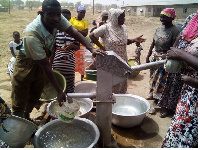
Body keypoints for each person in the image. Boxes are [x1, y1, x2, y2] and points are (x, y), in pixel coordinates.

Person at [11, 0, 106, 121]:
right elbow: (46, 66)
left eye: (58, 14)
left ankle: (26, 116)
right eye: (51, 14)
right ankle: (18, 125)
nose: (56, 18)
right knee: (21, 96)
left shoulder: (57, 18)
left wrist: (91, 48)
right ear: (42, 14)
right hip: (26, 64)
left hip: (41, 60)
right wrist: (60, 91)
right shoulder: (32, 35)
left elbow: (74, 32)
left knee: (36, 93)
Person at [89, 8, 146, 94]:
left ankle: (120, 103)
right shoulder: (105, 28)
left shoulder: (123, 28)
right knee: (111, 86)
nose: (124, 20)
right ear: (114, 18)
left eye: (124, 17)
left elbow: (123, 42)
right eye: (121, 18)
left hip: (123, 61)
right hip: (111, 62)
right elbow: (92, 36)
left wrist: (134, 40)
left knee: (121, 84)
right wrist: (101, 47)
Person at [158, 12, 198, 118]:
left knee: (183, 85)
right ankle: (168, 107)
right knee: (173, 82)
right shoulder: (193, 16)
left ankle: (175, 109)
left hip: (191, 62)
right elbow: (181, 35)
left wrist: (180, 54)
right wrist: (174, 49)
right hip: (178, 56)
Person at [161, 36, 198, 148]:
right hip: (190, 92)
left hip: (195, 95)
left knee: (188, 130)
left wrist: (180, 54)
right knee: (179, 125)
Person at [145, 8, 180, 115]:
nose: (162, 19)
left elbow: (174, 47)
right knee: (153, 77)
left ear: (171, 18)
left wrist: (167, 58)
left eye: (164, 17)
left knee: (162, 81)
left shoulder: (175, 31)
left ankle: (159, 102)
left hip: (165, 58)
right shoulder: (159, 28)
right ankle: (153, 94)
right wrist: (148, 55)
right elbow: (153, 43)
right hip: (156, 57)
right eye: (161, 17)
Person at [50, 9, 80, 93]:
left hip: (70, 62)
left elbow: (78, 47)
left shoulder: (74, 31)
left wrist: (72, 45)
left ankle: (69, 102)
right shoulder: (56, 31)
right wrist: (50, 63)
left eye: (67, 18)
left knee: (70, 83)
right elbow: (53, 49)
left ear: (70, 18)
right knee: (58, 83)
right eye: (63, 18)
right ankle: (58, 102)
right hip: (57, 61)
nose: (65, 20)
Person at [70, 5, 88, 81]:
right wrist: (80, 32)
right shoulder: (72, 20)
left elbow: (86, 33)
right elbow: (69, 30)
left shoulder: (84, 22)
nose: (83, 14)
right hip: (72, 44)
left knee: (81, 63)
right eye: (81, 13)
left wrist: (76, 31)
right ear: (77, 12)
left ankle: (82, 79)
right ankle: (72, 79)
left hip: (81, 45)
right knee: (72, 62)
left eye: (84, 13)